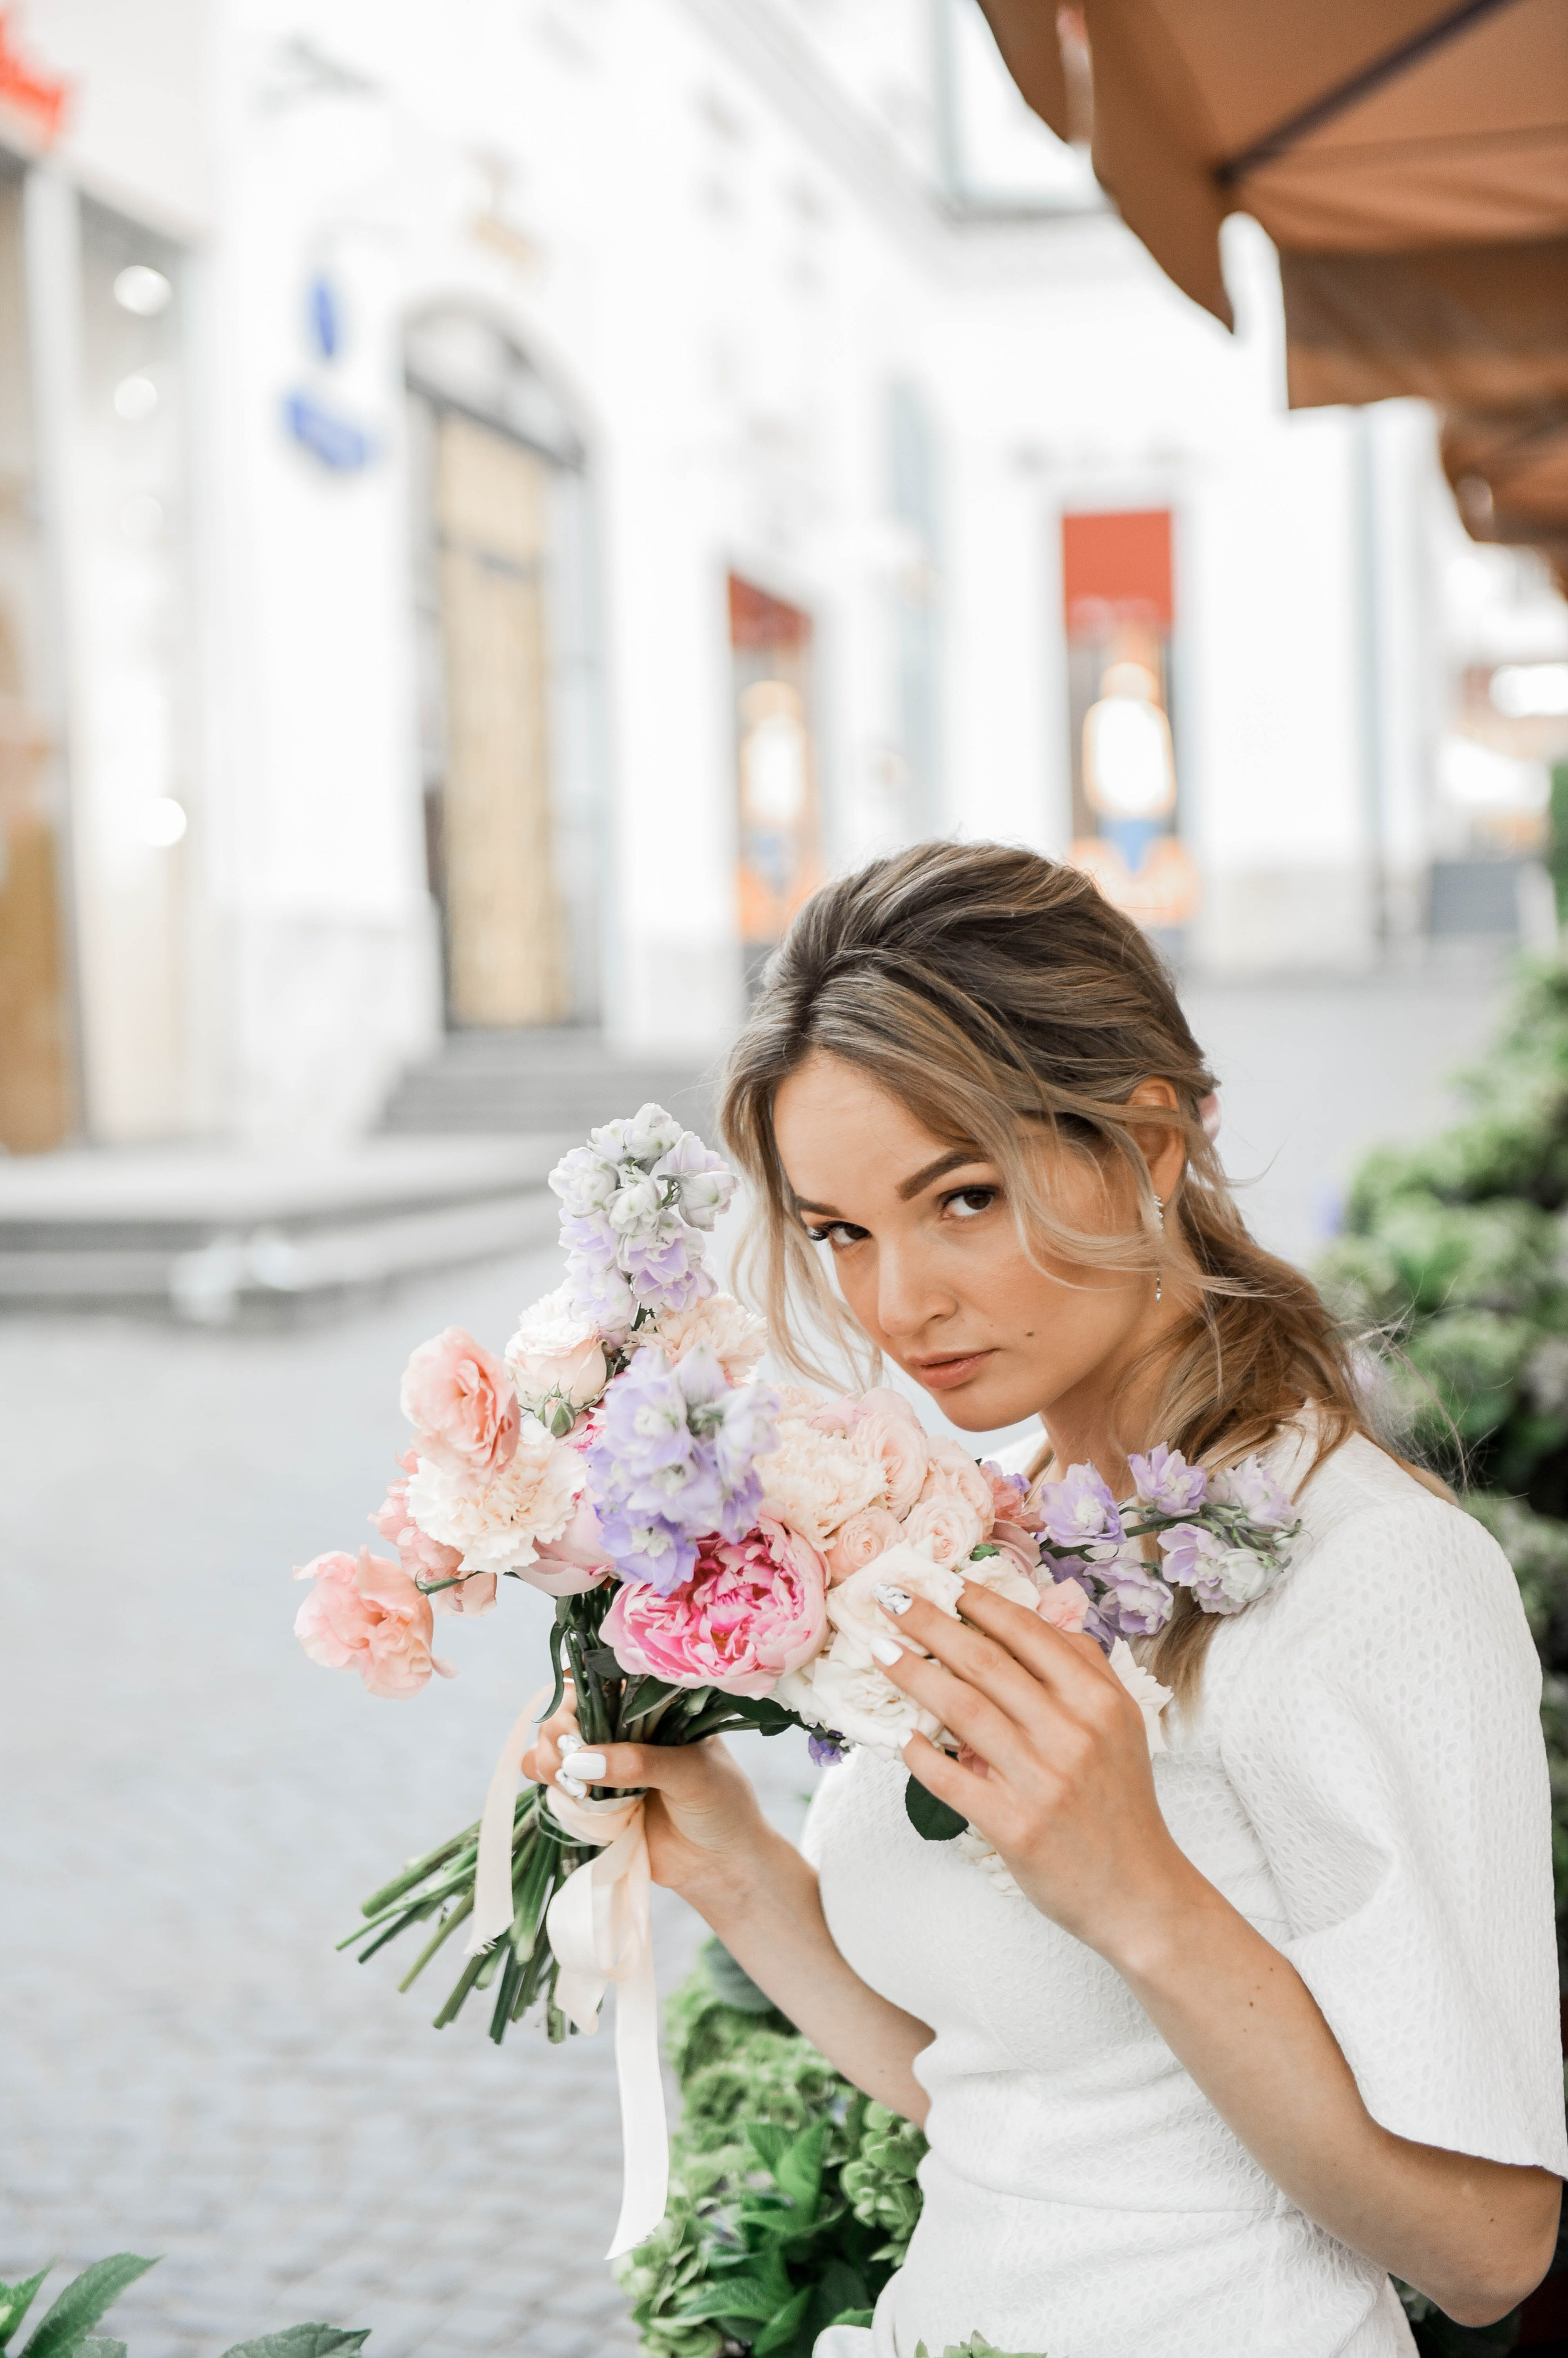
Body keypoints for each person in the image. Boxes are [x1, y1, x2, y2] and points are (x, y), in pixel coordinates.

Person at [528, 841, 1566, 2357]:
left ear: (1146, 1143)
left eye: (959, 1196)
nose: (897, 1305)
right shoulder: (970, 1530)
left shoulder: (1375, 1578)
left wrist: (1133, 1884)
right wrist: (736, 1867)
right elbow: (1020, 2094)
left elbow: (1489, 2248)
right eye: (840, 1232)